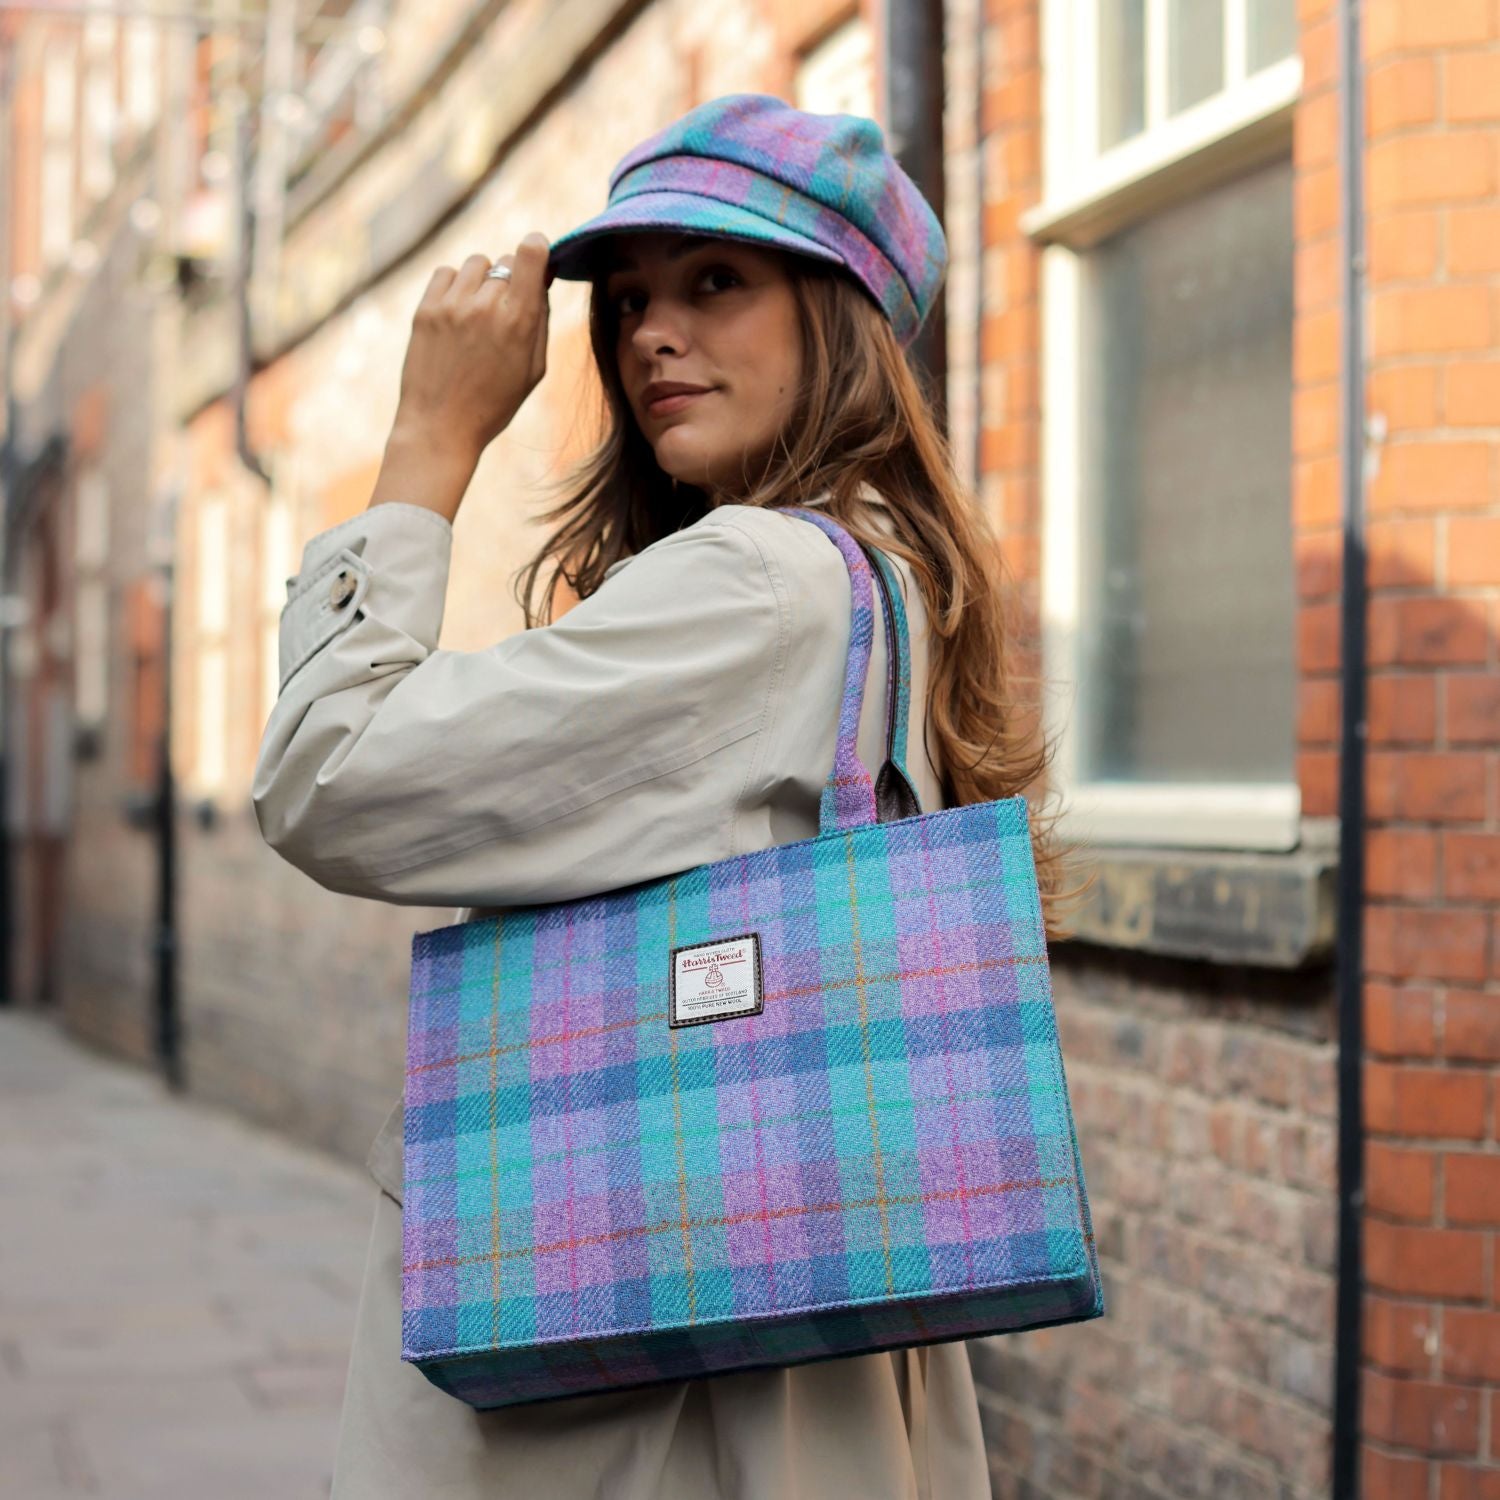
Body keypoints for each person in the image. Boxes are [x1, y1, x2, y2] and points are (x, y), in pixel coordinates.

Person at [253, 92, 1073, 1500]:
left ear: (841, 318)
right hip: (797, 1337)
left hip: (635, 1396)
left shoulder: (757, 581)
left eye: (716, 280)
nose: (649, 334)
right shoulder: (891, 579)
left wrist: (428, 444)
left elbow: (330, 775)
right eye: (629, 298)